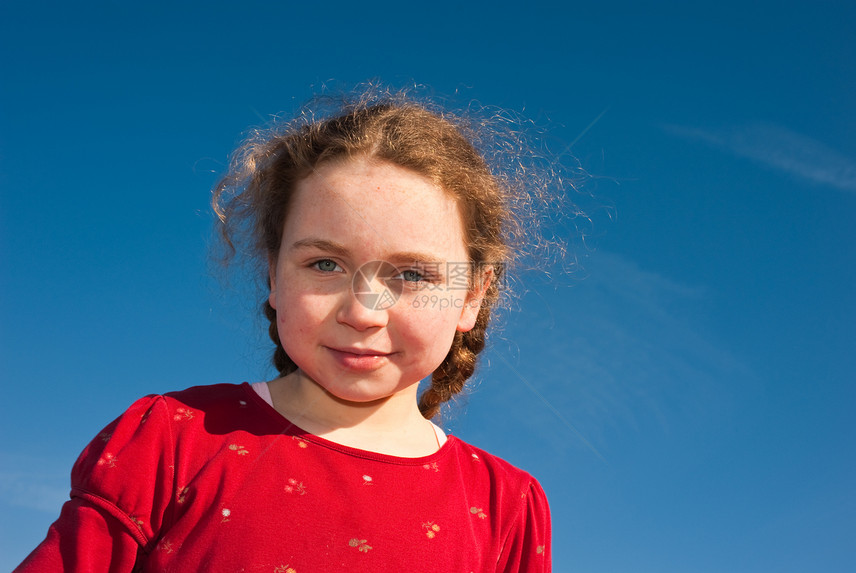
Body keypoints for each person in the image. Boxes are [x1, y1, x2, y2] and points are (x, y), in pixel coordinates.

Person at [16, 89, 554, 572]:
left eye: (412, 273)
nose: (363, 312)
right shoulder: (172, 439)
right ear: (274, 275)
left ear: (470, 296)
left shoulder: (508, 506)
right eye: (325, 265)